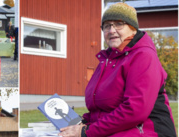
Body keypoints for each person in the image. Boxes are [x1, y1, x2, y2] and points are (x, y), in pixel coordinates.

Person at [59, 3, 176, 137]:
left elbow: (135, 111)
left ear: (133, 29)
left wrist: (87, 132)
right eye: (107, 26)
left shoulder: (144, 56)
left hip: (147, 131)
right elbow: (99, 108)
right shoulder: (107, 60)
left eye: (119, 24)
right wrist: (83, 121)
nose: (111, 30)